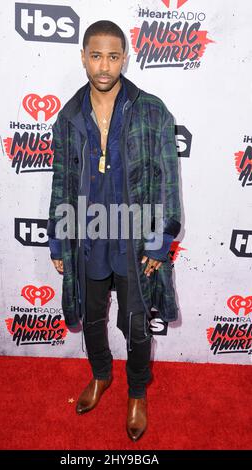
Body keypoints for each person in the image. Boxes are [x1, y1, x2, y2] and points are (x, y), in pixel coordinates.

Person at [47, 20, 181, 441]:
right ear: (83, 56)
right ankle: (102, 374)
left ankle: (137, 391)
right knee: (91, 318)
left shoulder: (153, 111)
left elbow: (168, 182)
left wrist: (159, 243)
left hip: (134, 239)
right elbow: (61, 183)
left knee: (137, 324)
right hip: (86, 237)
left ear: (125, 57)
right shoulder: (68, 118)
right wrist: (58, 238)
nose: (104, 66)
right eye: (95, 55)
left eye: (113, 55)